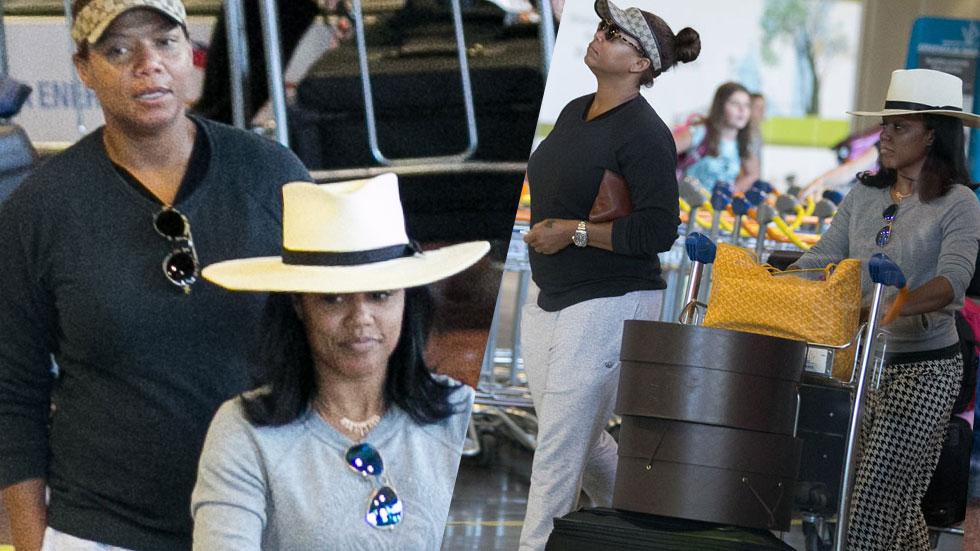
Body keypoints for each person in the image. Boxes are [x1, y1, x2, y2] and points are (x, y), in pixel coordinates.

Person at [0, 0, 312, 549]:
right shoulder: (38, 210)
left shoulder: (271, 175)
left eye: (165, 43)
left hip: (269, 514)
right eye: (119, 50)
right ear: (83, 68)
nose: (149, 64)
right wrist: (32, 542)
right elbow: (12, 394)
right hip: (103, 525)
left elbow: (336, 339)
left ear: (191, 55)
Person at [190, 173, 488, 549]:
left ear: (407, 301)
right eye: (333, 299)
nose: (360, 318)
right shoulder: (243, 432)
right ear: (299, 305)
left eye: (380, 295)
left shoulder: (462, 414)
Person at [517, 1, 698, 548]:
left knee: (557, 454)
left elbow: (658, 230)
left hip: (609, 299)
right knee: (573, 439)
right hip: (550, 294)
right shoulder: (575, 110)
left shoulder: (645, 133)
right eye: (603, 26)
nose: (601, 34)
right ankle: (655, 523)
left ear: (641, 64)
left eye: (616, 34)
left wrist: (572, 231)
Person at [791, 68, 980, 550]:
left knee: (870, 506)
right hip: (866, 367)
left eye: (900, 127)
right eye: (885, 125)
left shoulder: (960, 203)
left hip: (927, 372)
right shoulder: (865, 195)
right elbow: (825, 256)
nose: (885, 136)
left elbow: (950, 284)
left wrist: (881, 311)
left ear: (933, 135)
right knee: (891, 507)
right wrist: (770, 278)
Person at [672, 81, 756, 192]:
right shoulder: (700, 132)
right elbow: (660, 151)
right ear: (720, 106)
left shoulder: (743, 142)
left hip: (716, 208)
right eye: (735, 103)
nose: (742, 110)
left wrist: (732, 192)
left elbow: (752, 174)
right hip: (685, 205)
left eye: (747, 105)